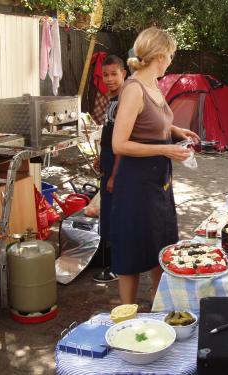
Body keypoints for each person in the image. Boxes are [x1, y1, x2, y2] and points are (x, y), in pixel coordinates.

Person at [111, 27, 199, 304]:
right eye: (171, 55)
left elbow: (153, 121)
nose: (172, 60)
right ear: (160, 56)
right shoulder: (133, 89)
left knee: (159, 241)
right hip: (136, 183)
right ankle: (126, 312)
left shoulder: (153, 86)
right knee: (133, 244)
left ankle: (160, 303)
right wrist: (165, 149)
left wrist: (176, 131)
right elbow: (119, 144)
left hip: (159, 180)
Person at [93, 55, 127, 283]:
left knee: (118, 218)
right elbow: (109, 134)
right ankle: (112, 263)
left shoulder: (126, 100)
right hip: (107, 164)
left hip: (119, 169)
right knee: (108, 215)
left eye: (114, 74)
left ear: (124, 73)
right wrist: (99, 156)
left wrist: (115, 175)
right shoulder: (111, 99)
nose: (109, 79)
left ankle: (120, 268)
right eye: (106, 74)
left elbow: (122, 144)